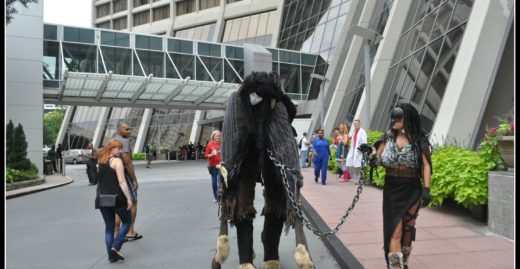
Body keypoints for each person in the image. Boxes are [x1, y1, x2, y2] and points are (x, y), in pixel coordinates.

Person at [369, 103, 432, 269]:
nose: (394, 120)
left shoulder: (419, 139)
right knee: (394, 231)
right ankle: (395, 266)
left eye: (399, 117)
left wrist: (427, 189)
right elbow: (377, 158)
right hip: (392, 188)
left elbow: (426, 166)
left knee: (408, 228)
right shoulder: (388, 137)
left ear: (408, 119)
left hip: (412, 187)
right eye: (393, 117)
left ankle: (404, 260)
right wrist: (371, 157)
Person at [94, 139, 133, 263]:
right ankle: (116, 247)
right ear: (112, 149)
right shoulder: (117, 161)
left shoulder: (101, 161)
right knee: (127, 221)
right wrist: (129, 198)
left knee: (109, 227)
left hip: (102, 199)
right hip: (117, 199)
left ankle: (111, 257)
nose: (120, 151)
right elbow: (122, 182)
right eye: (118, 148)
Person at [113, 122, 142, 242]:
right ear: (119, 130)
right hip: (124, 176)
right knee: (133, 202)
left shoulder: (113, 140)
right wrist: (134, 179)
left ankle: (117, 233)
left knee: (118, 205)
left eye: (130, 129)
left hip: (113, 176)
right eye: (126, 129)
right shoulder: (123, 142)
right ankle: (130, 231)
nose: (129, 131)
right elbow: (128, 162)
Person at [345, 119, 368, 185]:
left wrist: (359, 150)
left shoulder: (362, 132)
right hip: (354, 150)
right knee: (354, 164)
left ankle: (360, 180)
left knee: (360, 166)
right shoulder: (354, 132)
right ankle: (358, 179)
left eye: (357, 124)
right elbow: (353, 142)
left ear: (359, 124)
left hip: (360, 151)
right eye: (354, 124)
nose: (356, 125)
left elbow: (364, 142)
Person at [205, 130, 221, 203]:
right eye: (216, 136)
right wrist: (211, 155)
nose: (217, 137)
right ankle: (216, 197)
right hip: (212, 166)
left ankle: (220, 198)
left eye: (218, 136)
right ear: (213, 136)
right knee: (214, 183)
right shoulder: (210, 144)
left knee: (219, 183)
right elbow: (206, 155)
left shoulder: (222, 144)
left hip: (220, 165)